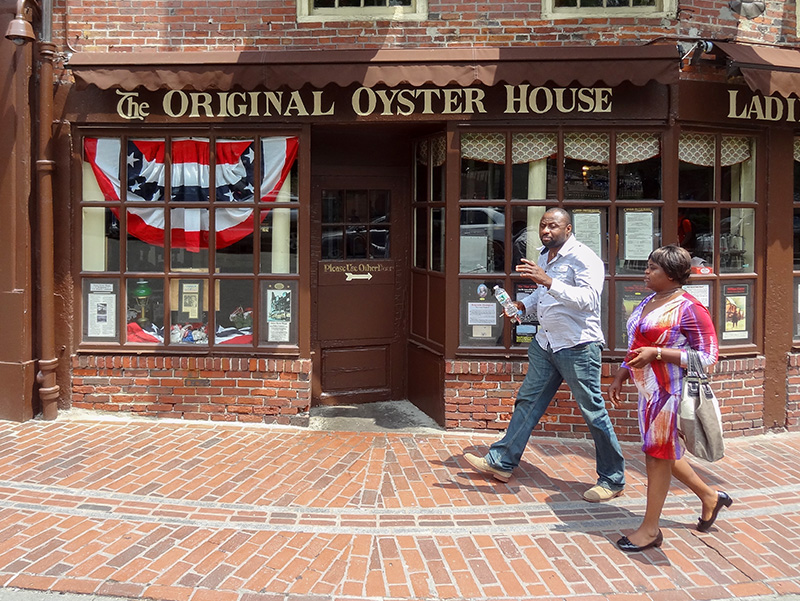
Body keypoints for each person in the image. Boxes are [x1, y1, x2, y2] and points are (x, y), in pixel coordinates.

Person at [464, 208, 626, 503]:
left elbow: (589, 301)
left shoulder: (584, 258)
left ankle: (612, 478)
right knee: (528, 401)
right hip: (546, 343)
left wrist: (550, 281)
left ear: (568, 229)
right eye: (543, 225)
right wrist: (523, 306)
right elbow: (540, 295)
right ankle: (502, 461)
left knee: (592, 411)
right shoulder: (544, 255)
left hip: (577, 345)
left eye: (553, 226)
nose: (546, 230)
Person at [608, 245, 732, 553]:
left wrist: (660, 353)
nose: (646, 272)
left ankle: (650, 530)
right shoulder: (651, 300)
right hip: (648, 391)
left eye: (653, 268)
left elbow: (708, 357)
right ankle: (710, 497)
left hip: (672, 393)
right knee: (663, 453)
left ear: (673, 275)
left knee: (656, 455)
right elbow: (639, 341)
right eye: (647, 267)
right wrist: (623, 373)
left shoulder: (690, 308)